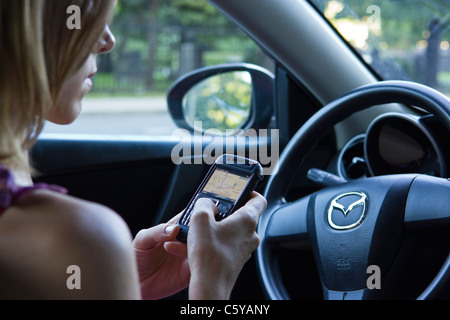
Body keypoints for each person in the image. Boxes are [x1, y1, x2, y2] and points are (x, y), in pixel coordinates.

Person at [0, 0, 266, 300]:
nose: (108, 41)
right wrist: (213, 282)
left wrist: (119, 283)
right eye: (89, 17)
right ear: (26, 32)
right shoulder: (77, 235)